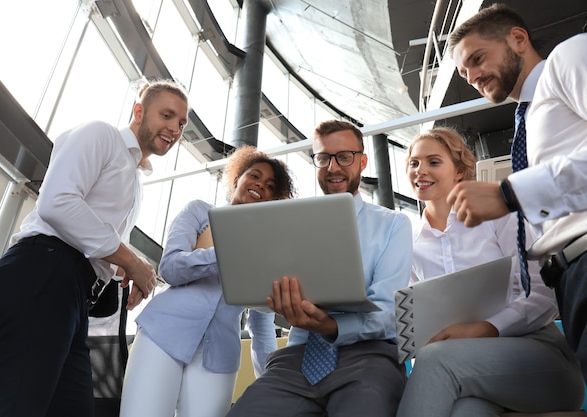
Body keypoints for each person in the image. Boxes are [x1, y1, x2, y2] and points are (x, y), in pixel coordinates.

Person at [0, 79, 189, 417]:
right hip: (40, 277)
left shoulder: (134, 180)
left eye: (182, 123)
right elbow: (56, 203)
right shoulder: (102, 136)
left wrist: (120, 268)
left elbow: (89, 237)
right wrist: (133, 261)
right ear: (139, 110)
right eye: (167, 115)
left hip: (70, 296)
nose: (174, 128)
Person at [226, 120, 412, 417]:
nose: (333, 167)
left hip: (368, 358)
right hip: (296, 359)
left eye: (344, 157)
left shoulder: (393, 225)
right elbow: (262, 293)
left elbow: (388, 311)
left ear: (362, 161)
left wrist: (330, 326)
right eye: (324, 158)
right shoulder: (289, 223)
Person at [396, 127, 584, 416]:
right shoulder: (409, 246)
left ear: (459, 171)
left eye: (433, 162)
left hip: (540, 361)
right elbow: (416, 326)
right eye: (414, 163)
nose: (421, 170)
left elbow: (544, 298)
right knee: (466, 411)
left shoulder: (499, 218)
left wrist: (486, 328)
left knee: (435, 359)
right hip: (463, 373)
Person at [446, 4, 587, 380]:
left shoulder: (570, 55)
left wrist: (510, 195)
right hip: (570, 279)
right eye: (464, 72)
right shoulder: (529, 118)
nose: (473, 75)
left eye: (478, 58)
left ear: (518, 38)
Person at [119, 145, 296, 417]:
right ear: (237, 179)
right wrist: (225, 252)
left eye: (270, 185)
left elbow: (261, 323)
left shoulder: (266, 249)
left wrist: (269, 383)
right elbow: (171, 267)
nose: (260, 185)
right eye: (255, 176)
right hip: (163, 333)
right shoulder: (200, 212)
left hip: (218, 357)